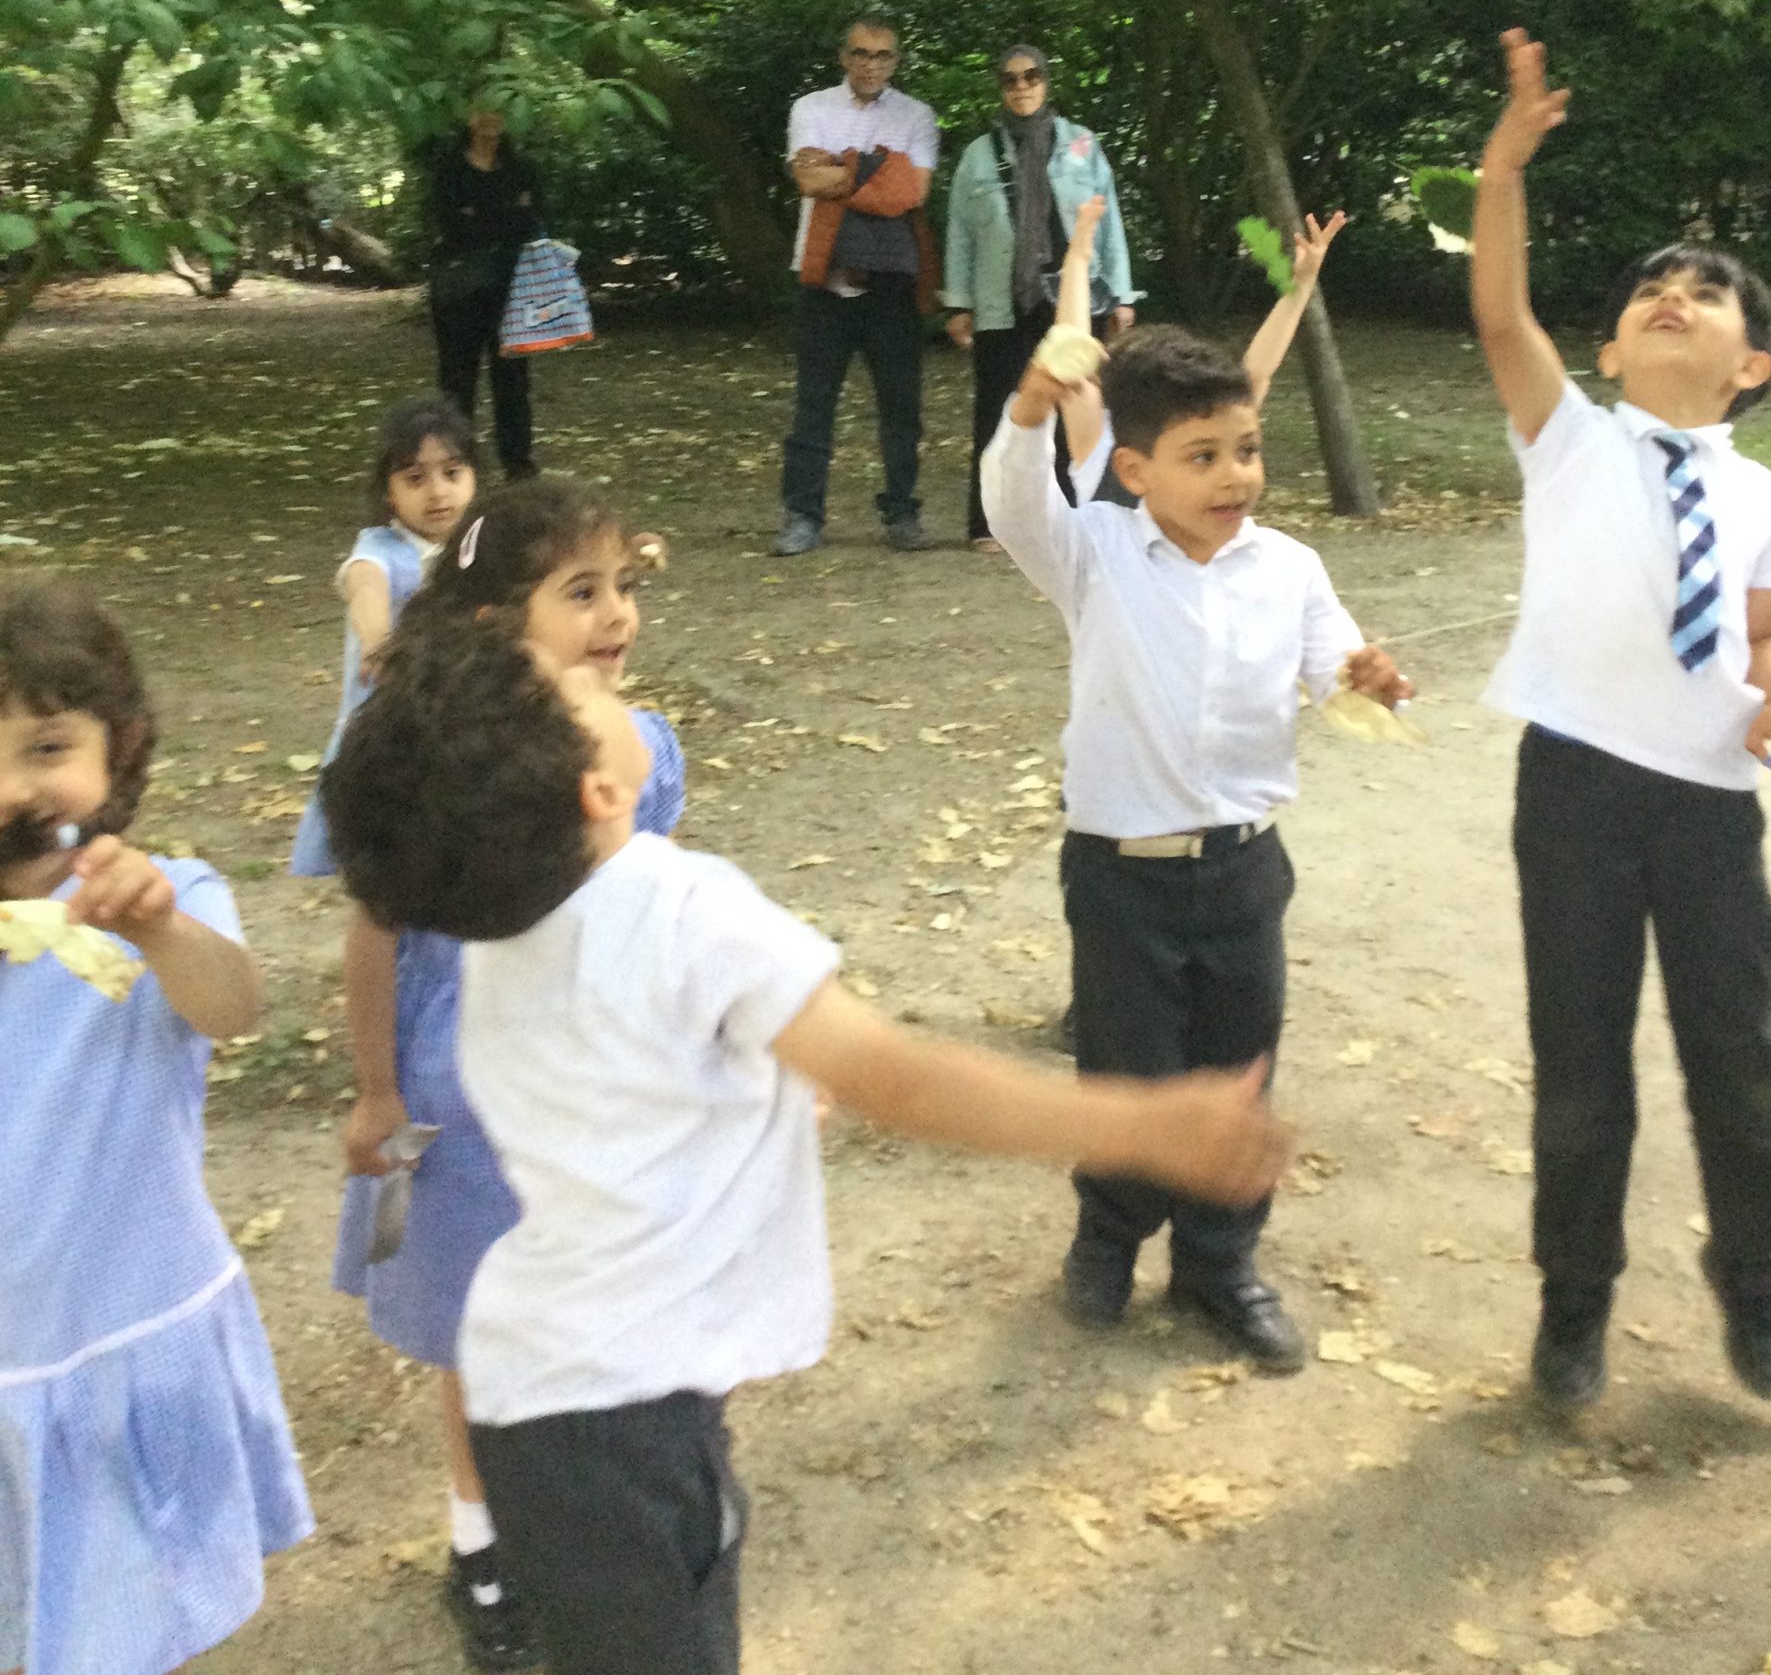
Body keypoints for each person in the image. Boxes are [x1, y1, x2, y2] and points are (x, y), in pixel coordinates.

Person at [320, 625, 1291, 1675]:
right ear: (599, 790)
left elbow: (628, 1087)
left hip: (544, 1389)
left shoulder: (499, 936)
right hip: (622, 1416)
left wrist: (763, 1095)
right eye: (579, 689)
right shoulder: (684, 907)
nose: (602, 675)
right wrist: (1141, 1125)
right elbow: (895, 1077)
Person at [1470, 26, 1771, 1414]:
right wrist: (1504, 169)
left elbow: (1766, 635)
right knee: (1581, 1066)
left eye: (1709, 291)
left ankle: (1753, 1269)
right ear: (1612, 348)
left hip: (1707, 803)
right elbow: (1501, 317)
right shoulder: (1571, 439)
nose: (1676, 295)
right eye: (1652, 290)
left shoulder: (1764, 497)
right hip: (1572, 786)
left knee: (1739, 1055)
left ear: (1755, 366)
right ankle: (1576, 1297)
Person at [982, 327, 1412, 1369]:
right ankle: (1108, 1239)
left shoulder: (1290, 567)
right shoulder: (1094, 553)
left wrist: (1371, 681)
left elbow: (1339, 672)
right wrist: (1031, 404)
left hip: (1245, 870)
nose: (1235, 477)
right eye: (1204, 456)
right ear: (1135, 470)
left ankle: (1222, 1264)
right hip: (1121, 874)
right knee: (1128, 1075)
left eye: (1248, 450)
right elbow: (1013, 503)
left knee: (1236, 1073)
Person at [324, 481, 682, 1673]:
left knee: (595, 1308)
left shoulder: (644, 744)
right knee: (481, 1326)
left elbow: (663, 914)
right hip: (463, 1096)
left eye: (624, 584)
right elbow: (376, 931)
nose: (617, 612)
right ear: (490, 621)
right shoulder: (438, 763)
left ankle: (590, 1506)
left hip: (602, 1091)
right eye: (581, 591)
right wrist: (378, 1092)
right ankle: (480, 1539)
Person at [0, 585, 312, 1675]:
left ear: (119, 749)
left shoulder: (167, 895)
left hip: (127, 1333)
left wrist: (161, 929)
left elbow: (232, 1006)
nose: (12, 787)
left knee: (138, 1621)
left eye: (47, 747)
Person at [943, 46, 1138, 549]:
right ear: (1000, 88)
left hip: (1074, 295)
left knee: (1078, 402)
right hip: (1002, 297)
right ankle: (988, 523)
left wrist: (1121, 294)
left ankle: (1077, 515)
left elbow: (1109, 219)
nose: (1021, 86)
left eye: (1031, 76)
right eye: (1010, 79)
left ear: (1046, 81)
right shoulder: (978, 155)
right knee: (998, 410)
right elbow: (960, 233)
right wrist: (959, 302)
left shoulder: (1081, 144)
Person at [289, 392, 479, 878]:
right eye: (415, 478)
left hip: (464, 725)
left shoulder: (482, 543)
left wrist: (623, 549)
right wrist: (378, 641)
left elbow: (549, 559)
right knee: (388, 864)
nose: (438, 492)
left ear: (474, 477)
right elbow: (365, 585)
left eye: (452, 473)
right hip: (390, 735)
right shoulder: (382, 549)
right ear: (388, 493)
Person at [774, 7, 941, 556]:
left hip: (892, 283)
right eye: (861, 54)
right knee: (813, 404)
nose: (871, 65)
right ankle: (803, 516)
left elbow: (911, 192)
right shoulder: (811, 107)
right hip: (823, 279)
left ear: (896, 61)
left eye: (883, 55)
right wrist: (878, 170)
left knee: (901, 406)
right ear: (843, 57)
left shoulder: (917, 116)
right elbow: (807, 178)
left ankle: (902, 512)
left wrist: (840, 170)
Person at [1061, 203, 1349, 507]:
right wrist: (1077, 260)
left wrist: (1302, 283)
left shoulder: (1205, 423)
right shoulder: (1102, 452)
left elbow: (1256, 373)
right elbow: (1071, 349)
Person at [427, 106, 544, 479]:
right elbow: (450, 225)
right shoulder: (450, 168)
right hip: (459, 289)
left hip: (512, 287)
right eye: (482, 110)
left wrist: (479, 214)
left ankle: (518, 461)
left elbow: (536, 221)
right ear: (468, 116)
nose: (491, 118)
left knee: (513, 378)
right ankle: (455, 460)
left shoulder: (521, 168)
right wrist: (508, 214)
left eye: (499, 110)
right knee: (457, 379)